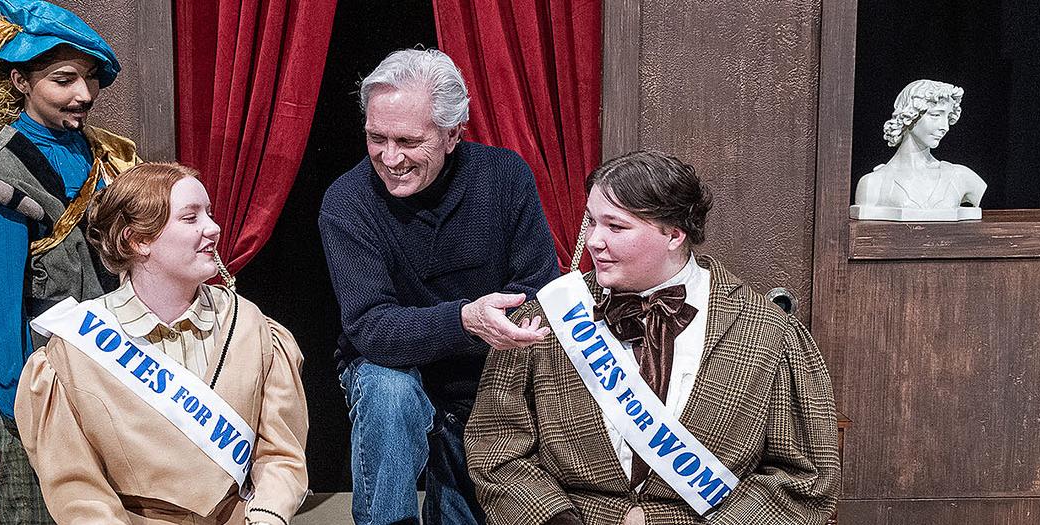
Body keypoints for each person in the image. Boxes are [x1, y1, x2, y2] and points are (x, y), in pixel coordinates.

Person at [466, 151, 840, 525]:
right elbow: (496, 447)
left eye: (615, 227)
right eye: (592, 222)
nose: (595, 241)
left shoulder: (768, 332)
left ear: (674, 234)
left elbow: (805, 480)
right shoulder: (546, 317)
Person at [318, 48, 560, 525]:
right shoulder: (346, 201)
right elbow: (370, 328)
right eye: (376, 138)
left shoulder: (505, 176)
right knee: (387, 390)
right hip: (393, 367)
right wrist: (465, 320)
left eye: (408, 141)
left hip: (491, 372)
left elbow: (538, 289)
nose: (390, 158)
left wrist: (488, 328)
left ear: (453, 134)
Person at [0, 1, 138, 522]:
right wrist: (30, 414)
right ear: (21, 81)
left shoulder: (101, 156)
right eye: (64, 80)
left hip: (107, 380)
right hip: (38, 397)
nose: (84, 95)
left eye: (87, 79)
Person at [15, 162, 309, 525]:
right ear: (137, 240)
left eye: (210, 213)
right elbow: (77, 489)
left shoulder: (251, 326)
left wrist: (267, 515)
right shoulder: (74, 348)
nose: (213, 228)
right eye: (191, 218)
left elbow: (280, 456)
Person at [854, 79, 986, 210]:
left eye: (948, 117)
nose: (945, 127)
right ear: (910, 115)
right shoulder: (873, 184)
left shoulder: (961, 177)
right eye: (935, 115)